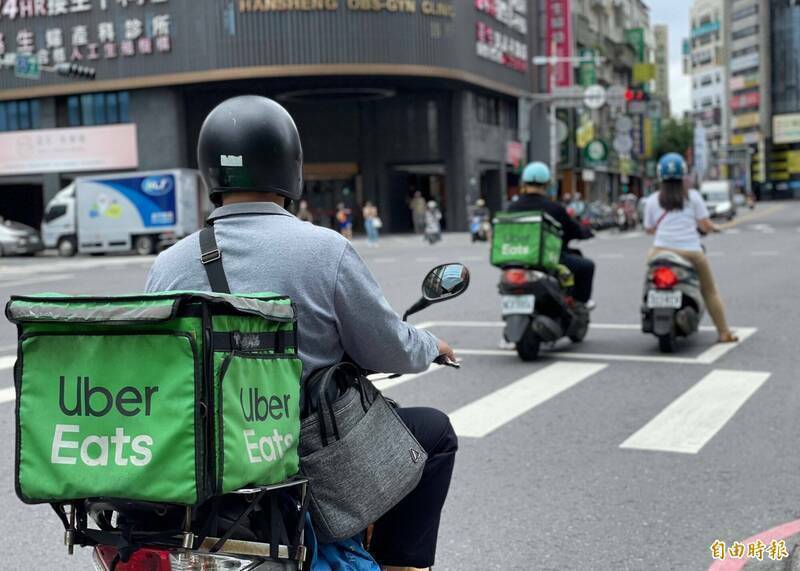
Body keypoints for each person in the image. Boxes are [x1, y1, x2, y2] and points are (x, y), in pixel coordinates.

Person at [145, 95, 458, 571]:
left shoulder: (168, 265)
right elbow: (387, 346)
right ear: (290, 168)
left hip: (199, 459)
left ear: (211, 171)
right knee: (435, 433)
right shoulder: (324, 250)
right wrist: (431, 345)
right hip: (294, 454)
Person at [644, 153, 738, 343]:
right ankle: (723, 332)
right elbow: (704, 225)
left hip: (660, 251)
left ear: (659, 175)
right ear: (684, 175)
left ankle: (647, 306)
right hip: (691, 253)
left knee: (649, 280)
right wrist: (714, 228)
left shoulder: (652, 200)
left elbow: (649, 229)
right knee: (709, 290)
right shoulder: (693, 197)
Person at [508, 162, 595, 307]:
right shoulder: (554, 208)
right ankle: (579, 305)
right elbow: (574, 230)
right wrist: (586, 232)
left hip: (518, 258)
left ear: (524, 182)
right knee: (587, 266)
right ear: (547, 184)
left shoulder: (512, 208)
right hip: (550, 259)